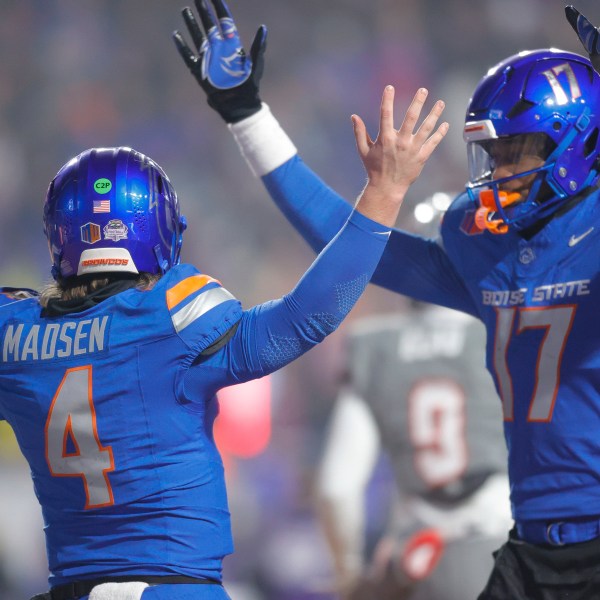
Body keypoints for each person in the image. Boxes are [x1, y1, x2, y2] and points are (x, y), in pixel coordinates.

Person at [1, 16, 448, 600]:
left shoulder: (15, 332)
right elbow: (306, 316)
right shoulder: (171, 316)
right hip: (175, 589)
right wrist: (385, 194)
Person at [175, 0, 600, 597]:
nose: (499, 170)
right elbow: (344, 236)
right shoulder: (489, 252)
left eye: (517, 150)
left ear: (577, 141)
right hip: (529, 545)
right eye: (494, 153)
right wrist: (246, 115)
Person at [315, 303, 511, 600]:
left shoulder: (374, 344)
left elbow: (336, 488)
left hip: (415, 556)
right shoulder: (498, 330)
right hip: (500, 537)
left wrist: (349, 572)